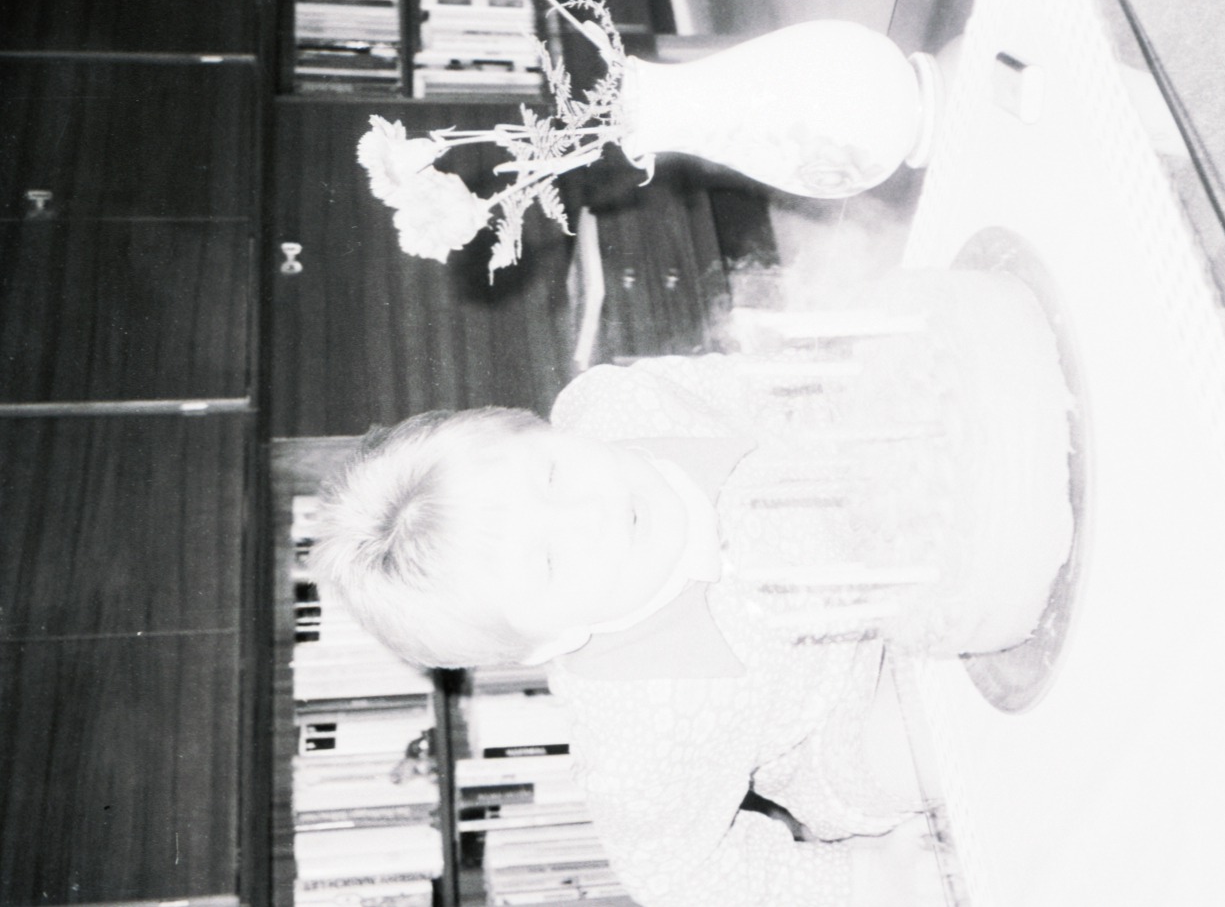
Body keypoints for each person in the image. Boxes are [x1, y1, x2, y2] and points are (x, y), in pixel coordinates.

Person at [311, 353, 968, 907]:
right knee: (931, 739)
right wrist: (867, 877)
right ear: (551, 640)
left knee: (928, 405)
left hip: (855, 500)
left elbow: (761, 379)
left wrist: (845, 379)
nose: (587, 514)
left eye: (550, 473)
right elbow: (677, 872)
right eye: (550, 560)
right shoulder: (637, 730)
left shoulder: (620, 402)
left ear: (540, 425)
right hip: (846, 712)